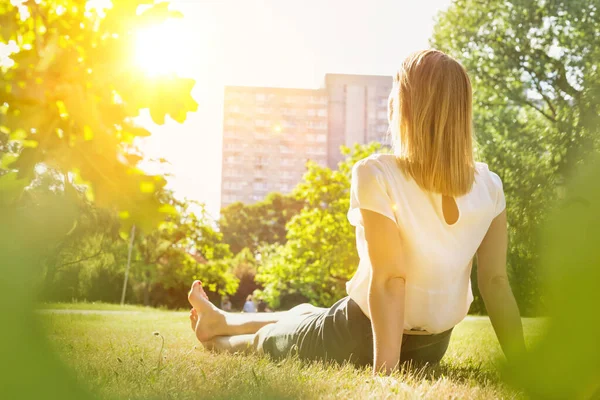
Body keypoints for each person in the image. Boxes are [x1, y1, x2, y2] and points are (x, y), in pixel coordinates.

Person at [187, 49, 526, 375]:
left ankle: (218, 335)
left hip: (355, 335)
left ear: (403, 107)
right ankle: (221, 320)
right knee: (304, 312)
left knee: (268, 340)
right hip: (431, 347)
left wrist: (386, 375)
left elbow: (392, 280)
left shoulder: (376, 172)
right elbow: (495, 281)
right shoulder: (490, 185)